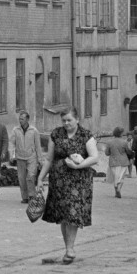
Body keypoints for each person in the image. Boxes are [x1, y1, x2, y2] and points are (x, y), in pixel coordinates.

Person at [39, 106, 98, 263]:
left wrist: (79, 165)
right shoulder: (56, 134)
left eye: (69, 120)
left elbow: (94, 157)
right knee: (63, 215)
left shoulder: (86, 135)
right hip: (58, 181)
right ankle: (68, 249)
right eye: (63, 120)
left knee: (73, 213)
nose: (66, 123)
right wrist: (40, 177)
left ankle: (70, 249)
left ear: (77, 119)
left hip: (79, 181)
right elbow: (49, 159)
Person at [10, 111, 45, 204]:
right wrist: (11, 155)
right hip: (20, 157)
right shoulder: (15, 130)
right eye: (19, 118)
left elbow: (38, 146)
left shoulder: (34, 131)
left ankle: (31, 195)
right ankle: (24, 197)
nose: (20, 120)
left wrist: (41, 160)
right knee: (22, 178)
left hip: (31, 157)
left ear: (27, 119)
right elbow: (12, 144)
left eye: (22, 119)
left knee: (30, 176)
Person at [103, 126, 133, 198]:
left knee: (115, 177)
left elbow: (107, 153)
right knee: (121, 177)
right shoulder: (124, 142)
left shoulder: (109, 142)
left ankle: (116, 191)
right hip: (124, 161)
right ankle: (119, 189)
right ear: (120, 133)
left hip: (113, 161)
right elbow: (128, 151)